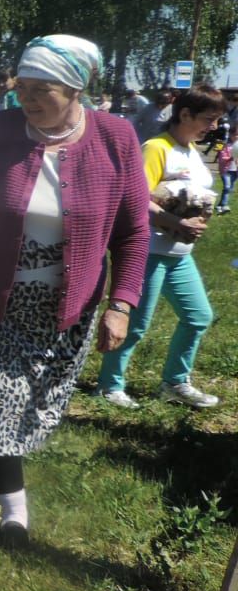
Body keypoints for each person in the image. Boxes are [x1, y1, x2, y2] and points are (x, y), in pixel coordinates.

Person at [0, 35, 149, 546]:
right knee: (1, 397)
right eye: (21, 87)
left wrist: (122, 304)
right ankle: (13, 515)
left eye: (41, 89)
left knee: (33, 406)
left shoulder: (115, 138)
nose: (26, 99)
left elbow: (133, 233)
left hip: (67, 308)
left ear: (76, 89)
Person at [96, 86, 225, 410]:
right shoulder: (156, 147)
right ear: (185, 115)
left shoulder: (192, 150)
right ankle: (110, 387)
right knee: (136, 324)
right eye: (208, 119)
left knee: (198, 317)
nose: (213, 126)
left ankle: (175, 382)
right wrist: (173, 221)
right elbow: (135, 199)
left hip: (180, 255)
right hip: (149, 251)